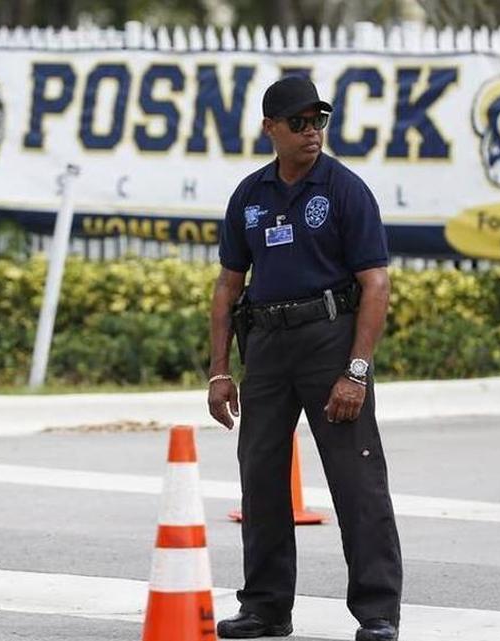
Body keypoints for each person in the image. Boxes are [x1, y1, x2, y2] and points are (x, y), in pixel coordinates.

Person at [207, 76, 402, 641]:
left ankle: (378, 613)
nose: (312, 132)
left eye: (319, 121)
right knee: (261, 477)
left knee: (357, 481)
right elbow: (227, 286)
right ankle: (266, 608)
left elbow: (376, 284)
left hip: (328, 343)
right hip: (265, 347)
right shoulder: (250, 195)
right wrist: (221, 370)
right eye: (298, 122)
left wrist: (356, 370)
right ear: (271, 128)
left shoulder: (344, 189)